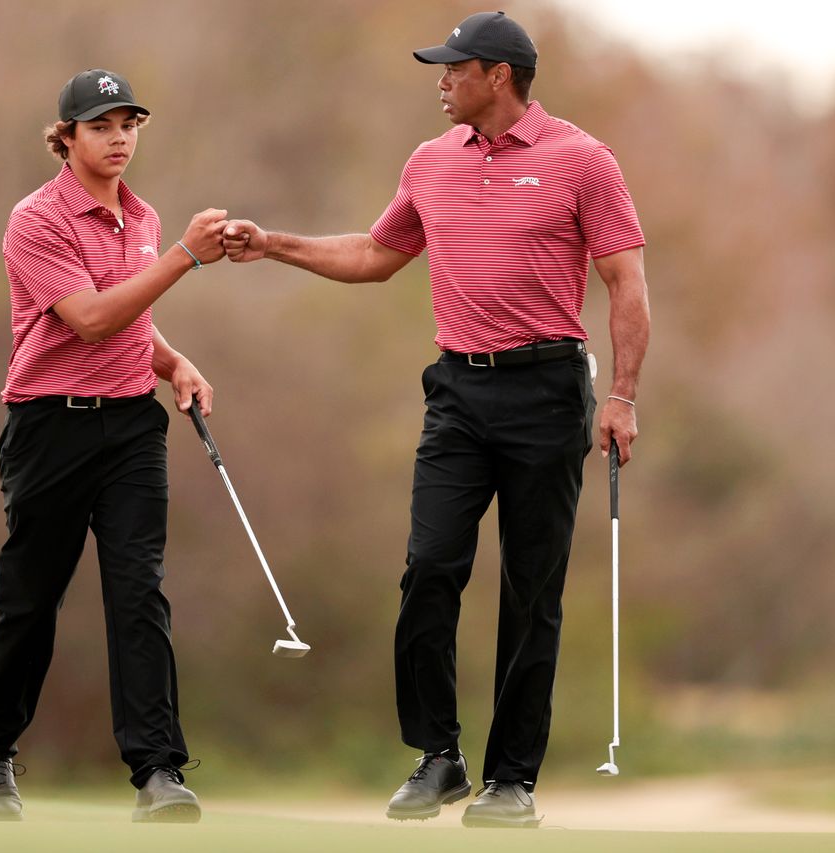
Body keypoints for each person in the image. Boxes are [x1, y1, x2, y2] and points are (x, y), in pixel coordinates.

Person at [222, 12, 650, 828]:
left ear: (497, 75)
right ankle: (438, 755)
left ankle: (511, 780)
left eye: (453, 69)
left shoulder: (582, 160)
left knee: (533, 590)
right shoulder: (429, 163)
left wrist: (622, 395)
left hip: (549, 390)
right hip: (457, 392)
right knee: (429, 567)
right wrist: (271, 243)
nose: (441, 80)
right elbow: (377, 256)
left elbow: (626, 283)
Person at [0, 68, 228, 823]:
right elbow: (91, 319)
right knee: (31, 597)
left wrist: (174, 363)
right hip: (49, 425)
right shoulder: (35, 219)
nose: (119, 138)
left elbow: (133, 324)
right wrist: (185, 256)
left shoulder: (141, 218)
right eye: (103, 125)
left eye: (130, 123)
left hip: (130, 428)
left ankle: (158, 771)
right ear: (66, 136)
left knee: (138, 591)